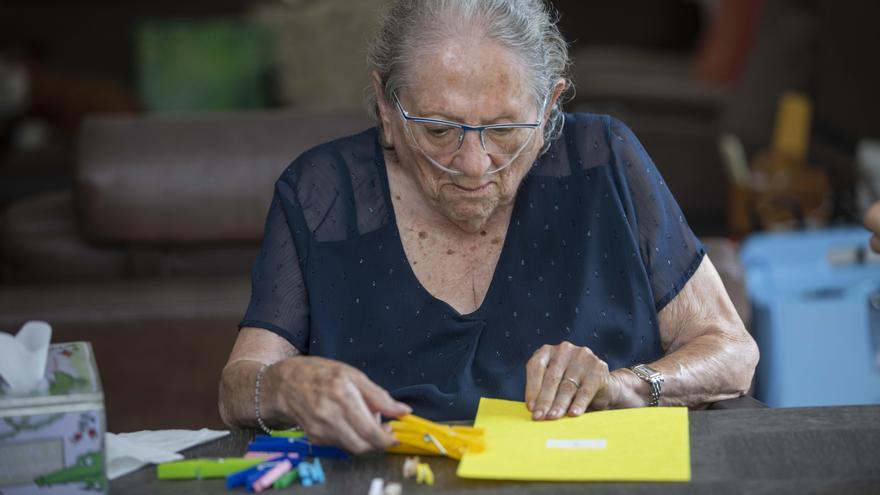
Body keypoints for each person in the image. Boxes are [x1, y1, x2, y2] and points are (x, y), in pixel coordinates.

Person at [219, 0, 759, 454]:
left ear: (549, 108)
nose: (474, 166)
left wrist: (629, 387)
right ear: (386, 106)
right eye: (437, 130)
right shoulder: (323, 191)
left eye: (505, 130)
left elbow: (733, 353)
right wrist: (287, 386)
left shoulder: (603, 160)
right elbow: (239, 387)